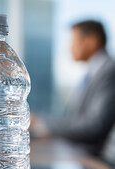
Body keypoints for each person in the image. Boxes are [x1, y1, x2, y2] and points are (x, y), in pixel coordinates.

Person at [31, 20, 115, 155]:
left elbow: (94, 125)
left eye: (73, 41)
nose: (69, 48)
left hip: (100, 164)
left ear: (91, 41)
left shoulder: (109, 71)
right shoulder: (93, 73)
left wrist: (40, 122)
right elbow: (74, 119)